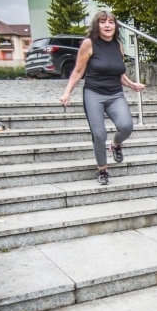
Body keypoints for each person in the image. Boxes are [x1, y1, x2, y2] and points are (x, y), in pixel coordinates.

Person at [59, 11, 145, 185]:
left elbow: (118, 72)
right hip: (94, 94)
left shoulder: (118, 45)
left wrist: (131, 84)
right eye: (103, 22)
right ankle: (103, 170)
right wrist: (67, 92)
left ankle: (115, 145)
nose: (107, 25)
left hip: (115, 94)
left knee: (126, 126)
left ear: (115, 26)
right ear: (96, 25)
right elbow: (78, 70)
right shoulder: (89, 44)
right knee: (99, 134)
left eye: (111, 22)